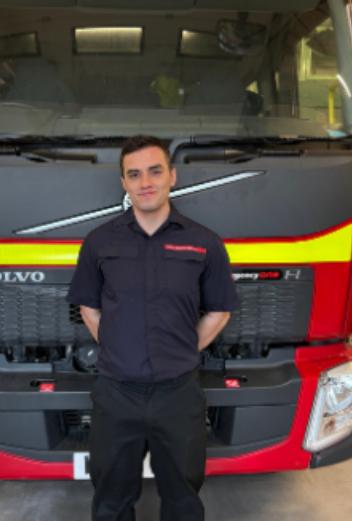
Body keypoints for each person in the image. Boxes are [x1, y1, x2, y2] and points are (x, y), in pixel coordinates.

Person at [67, 135, 240, 521]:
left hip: (178, 394)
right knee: (111, 502)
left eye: (155, 171)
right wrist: (118, 347)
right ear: (124, 183)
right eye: (134, 174)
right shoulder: (99, 242)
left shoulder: (203, 243)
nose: (145, 181)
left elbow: (219, 311)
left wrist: (182, 350)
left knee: (183, 500)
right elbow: (89, 307)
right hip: (115, 395)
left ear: (172, 177)